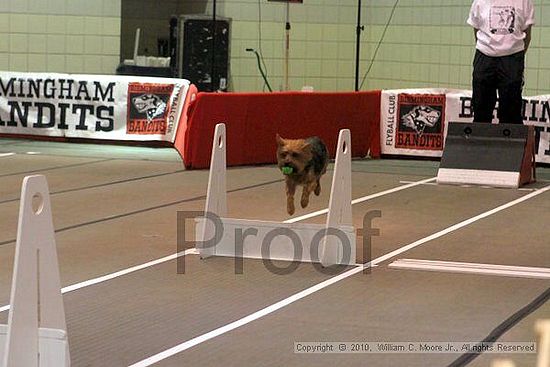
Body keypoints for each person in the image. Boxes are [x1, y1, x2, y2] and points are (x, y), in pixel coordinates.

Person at [467, 0, 535, 124]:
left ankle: (510, 142)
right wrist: (489, 49)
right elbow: (476, 30)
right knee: (481, 107)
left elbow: (527, 35)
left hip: (512, 59)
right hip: (484, 57)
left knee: (511, 111)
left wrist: (512, 55)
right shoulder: (479, 2)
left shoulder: (524, 1)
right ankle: (481, 141)